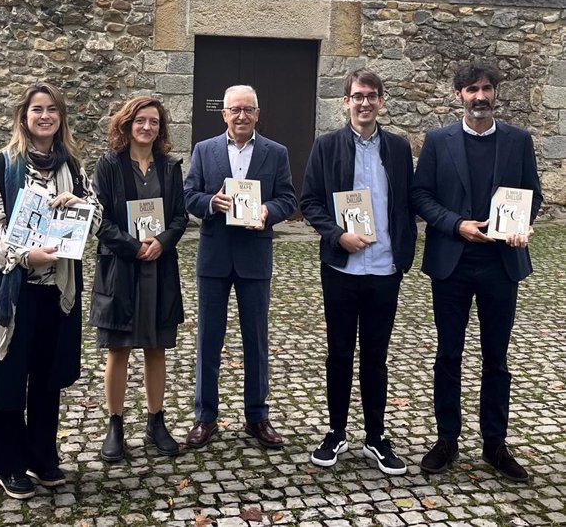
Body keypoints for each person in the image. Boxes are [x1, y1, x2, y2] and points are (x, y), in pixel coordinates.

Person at [0, 82, 102, 500]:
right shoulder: (3, 166)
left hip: (56, 292)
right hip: (12, 289)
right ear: (24, 117)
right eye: (37, 109)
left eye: (53, 110)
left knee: (46, 377)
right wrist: (26, 257)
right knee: (5, 378)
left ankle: (43, 456)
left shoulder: (74, 168)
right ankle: (8, 464)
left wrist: (76, 206)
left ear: (61, 118)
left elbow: (95, 220)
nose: (45, 116)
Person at [411, 62, 542, 483]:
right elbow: (420, 196)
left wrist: (523, 225)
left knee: (496, 358)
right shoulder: (437, 141)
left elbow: (533, 195)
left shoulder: (519, 141)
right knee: (449, 354)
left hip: (501, 264)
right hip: (453, 261)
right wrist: (456, 224)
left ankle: (495, 443)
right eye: (472, 89)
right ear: (458, 96)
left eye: (486, 88)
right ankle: (447, 438)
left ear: (495, 94)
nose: (480, 95)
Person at [300, 69, 417, 475]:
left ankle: (376, 436)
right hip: (341, 266)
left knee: (376, 356)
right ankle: (335, 432)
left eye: (371, 95)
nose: (364, 103)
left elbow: (408, 201)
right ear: (345, 102)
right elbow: (310, 201)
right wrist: (337, 235)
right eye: (357, 96)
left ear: (381, 101)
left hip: (385, 268)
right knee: (339, 354)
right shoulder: (326, 145)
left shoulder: (399, 148)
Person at [183, 85, 297, 449]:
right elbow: (188, 195)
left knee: (256, 340)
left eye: (248, 109)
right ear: (224, 114)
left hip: (254, 257)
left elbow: (288, 198)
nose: (242, 116)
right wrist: (209, 202)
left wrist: (267, 212)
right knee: (208, 340)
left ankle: (257, 417)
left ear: (258, 114)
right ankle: (205, 416)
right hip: (215, 256)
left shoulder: (276, 153)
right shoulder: (204, 150)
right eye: (235, 110)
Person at [89, 96, 187, 462]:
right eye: (141, 120)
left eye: (155, 122)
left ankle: (155, 421)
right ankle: (115, 424)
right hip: (121, 268)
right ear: (127, 124)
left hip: (159, 268)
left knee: (156, 346)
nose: (147, 127)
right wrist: (133, 246)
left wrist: (161, 243)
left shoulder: (169, 166)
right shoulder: (109, 166)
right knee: (119, 349)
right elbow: (100, 219)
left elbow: (179, 217)